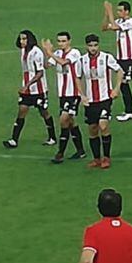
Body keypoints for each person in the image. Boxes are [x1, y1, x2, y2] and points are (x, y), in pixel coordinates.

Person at [2, 29, 57, 150]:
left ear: (30, 39)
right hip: (27, 90)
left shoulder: (36, 52)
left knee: (44, 112)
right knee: (21, 111)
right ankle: (14, 140)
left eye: (24, 39)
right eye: (21, 39)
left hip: (38, 90)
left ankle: (52, 137)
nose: (22, 41)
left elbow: (40, 73)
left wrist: (27, 85)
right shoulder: (23, 51)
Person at [79, 33, 123, 169]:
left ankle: (106, 157)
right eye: (90, 46)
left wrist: (116, 88)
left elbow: (120, 71)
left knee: (103, 126)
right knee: (92, 129)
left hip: (105, 98)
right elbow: (77, 78)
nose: (93, 48)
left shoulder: (106, 57)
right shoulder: (82, 60)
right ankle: (96, 158)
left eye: (95, 45)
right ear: (86, 46)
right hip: (90, 101)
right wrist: (82, 95)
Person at [41, 31, 86, 164]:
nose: (61, 43)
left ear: (69, 41)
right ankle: (80, 150)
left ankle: (60, 153)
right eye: (59, 41)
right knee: (70, 122)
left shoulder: (75, 53)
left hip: (74, 93)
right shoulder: (58, 53)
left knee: (63, 119)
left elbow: (63, 63)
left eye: (63, 41)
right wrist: (47, 51)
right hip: (63, 94)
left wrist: (50, 53)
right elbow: (47, 65)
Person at [100, 0, 132, 123]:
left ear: (127, 11)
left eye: (120, 10)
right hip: (120, 57)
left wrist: (110, 12)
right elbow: (104, 28)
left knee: (123, 84)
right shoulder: (120, 21)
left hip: (129, 58)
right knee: (119, 83)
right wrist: (106, 14)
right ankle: (109, 111)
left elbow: (115, 27)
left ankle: (129, 111)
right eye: (117, 10)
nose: (118, 12)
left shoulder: (130, 22)